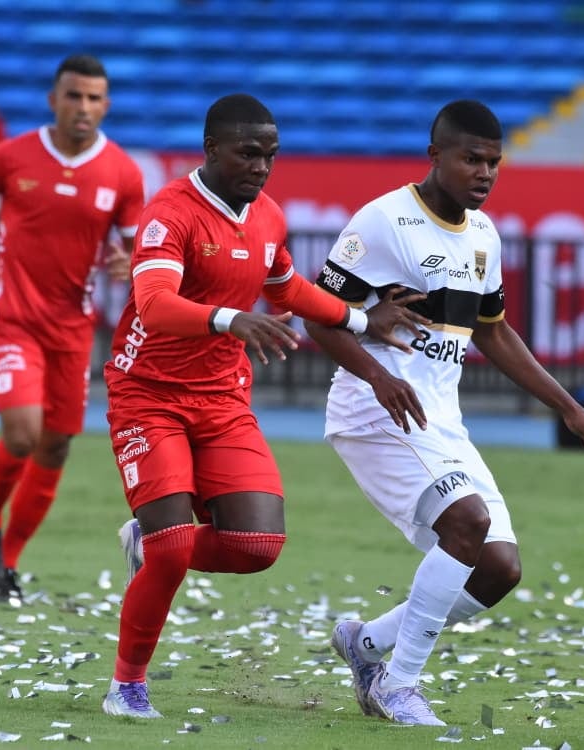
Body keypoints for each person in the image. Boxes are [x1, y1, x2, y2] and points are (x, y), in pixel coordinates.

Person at [101, 93, 429, 719]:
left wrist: (360, 318)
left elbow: (286, 286)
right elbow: (153, 304)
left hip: (222, 398)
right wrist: (230, 320)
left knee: (257, 544)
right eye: (248, 153)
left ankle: (152, 542)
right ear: (212, 150)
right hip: (148, 395)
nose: (261, 166)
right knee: (174, 549)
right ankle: (127, 686)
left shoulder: (268, 215)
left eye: (270, 155)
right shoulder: (170, 214)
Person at [303, 100, 584, 726]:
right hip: (375, 410)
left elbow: (494, 333)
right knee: (468, 522)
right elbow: (318, 313)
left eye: (494, 162)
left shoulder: (482, 234)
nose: (484, 172)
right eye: (471, 158)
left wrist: (571, 410)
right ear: (436, 156)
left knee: (499, 569)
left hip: (437, 419)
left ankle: (365, 644)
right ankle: (397, 686)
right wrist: (378, 373)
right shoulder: (383, 221)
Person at [0, 54, 144, 602]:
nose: (83, 107)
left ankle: (4, 563)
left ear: (106, 104)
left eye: (94, 98)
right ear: (53, 99)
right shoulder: (12, 156)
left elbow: (137, 248)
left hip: (72, 329)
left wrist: (129, 262)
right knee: (23, 435)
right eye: (73, 96)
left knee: (56, 448)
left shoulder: (123, 173)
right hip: (11, 317)